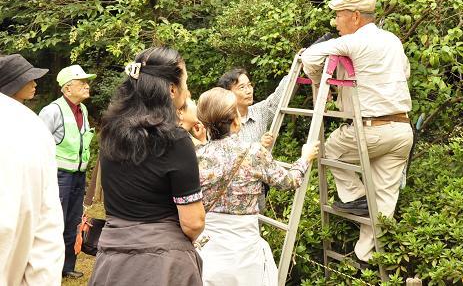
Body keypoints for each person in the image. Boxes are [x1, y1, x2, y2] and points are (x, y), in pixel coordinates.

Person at [301, 0, 414, 263]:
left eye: (338, 16)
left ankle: (356, 198)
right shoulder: (393, 41)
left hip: (370, 130)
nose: (335, 23)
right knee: (383, 201)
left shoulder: (353, 42)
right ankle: (368, 260)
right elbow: (406, 72)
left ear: (354, 16)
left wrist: (316, 72)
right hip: (401, 131)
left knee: (329, 152)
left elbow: (309, 58)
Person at [89, 47, 205, 286]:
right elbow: (193, 222)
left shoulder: (110, 132)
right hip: (162, 265)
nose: (188, 89)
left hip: (113, 259)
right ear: (172, 90)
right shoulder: (175, 140)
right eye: (185, 81)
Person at [195, 87, 319, 286]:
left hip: (208, 250)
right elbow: (290, 181)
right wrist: (304, 158)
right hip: (245, 251)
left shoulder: (196, 157)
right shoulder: (253, 152)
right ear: (236, 121)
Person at [0, 93, 65, 285]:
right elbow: (46, 245)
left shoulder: (28, 125)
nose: (35, 84)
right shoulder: (36, 121)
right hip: (57, 173)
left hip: (57, 173)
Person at [39, 64, 96, 279]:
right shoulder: (52, 110)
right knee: (55, 221)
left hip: (78, 174)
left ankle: (67, 267)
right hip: (58, 175)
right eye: (82, 83)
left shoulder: (83, 109)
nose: (87, 86)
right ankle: (49, 268)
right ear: (67, 88)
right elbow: (38, 143)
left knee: (73, 221)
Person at [217, 69, 289, 208]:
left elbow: (278, 98)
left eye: (249, 85)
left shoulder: (259, 112)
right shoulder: (221, 122)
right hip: (233, 193)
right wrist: (259, 146)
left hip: (260, 187)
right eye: (242, 87)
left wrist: (296, 67)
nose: (249, 90)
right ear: (228, 93)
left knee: (257, 225)